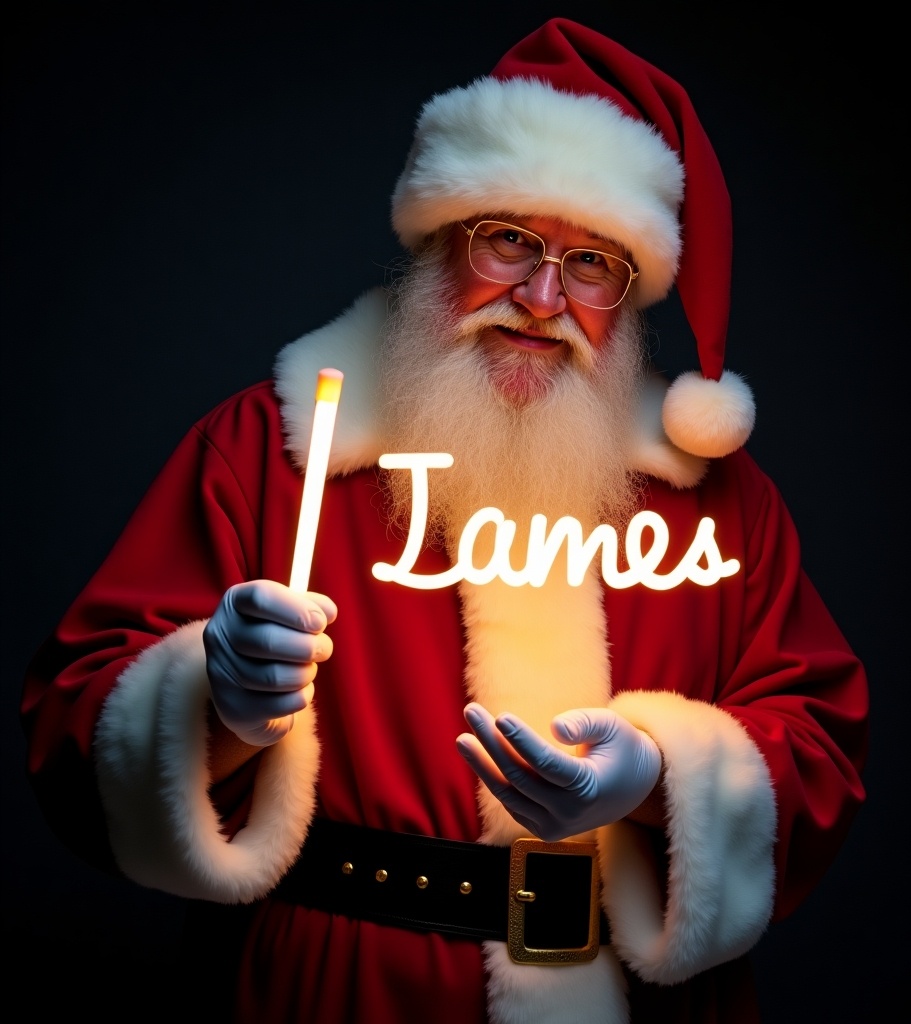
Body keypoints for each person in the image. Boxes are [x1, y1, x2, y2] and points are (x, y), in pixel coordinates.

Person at [20, 17, 868, 1024]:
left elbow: (817, 746)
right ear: (440, 238)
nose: (543, 296)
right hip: (340, 991)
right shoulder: (273, 447)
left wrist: (657, 777)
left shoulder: (713, 497)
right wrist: (217, 704)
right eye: (510, 240)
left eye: (591, 262)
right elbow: (74, 724)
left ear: (629, 291)